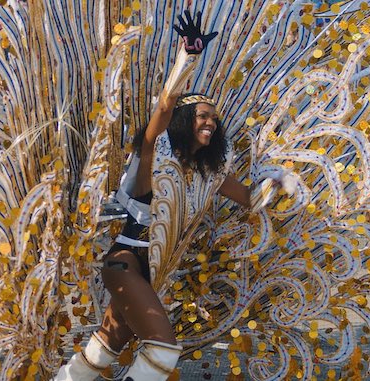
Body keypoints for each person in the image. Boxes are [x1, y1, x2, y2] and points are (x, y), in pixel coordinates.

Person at [54, 11, 286, 381]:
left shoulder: (211, 174)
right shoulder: (153, 155)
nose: (210, 122)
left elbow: (251, 200)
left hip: (152, 275)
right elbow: (164, 106)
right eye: (202, 116)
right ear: (184, 122)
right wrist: (187, 58)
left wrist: (278, 179)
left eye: (214, 119)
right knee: (162, 348)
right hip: (126, 263)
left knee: (102, 350)